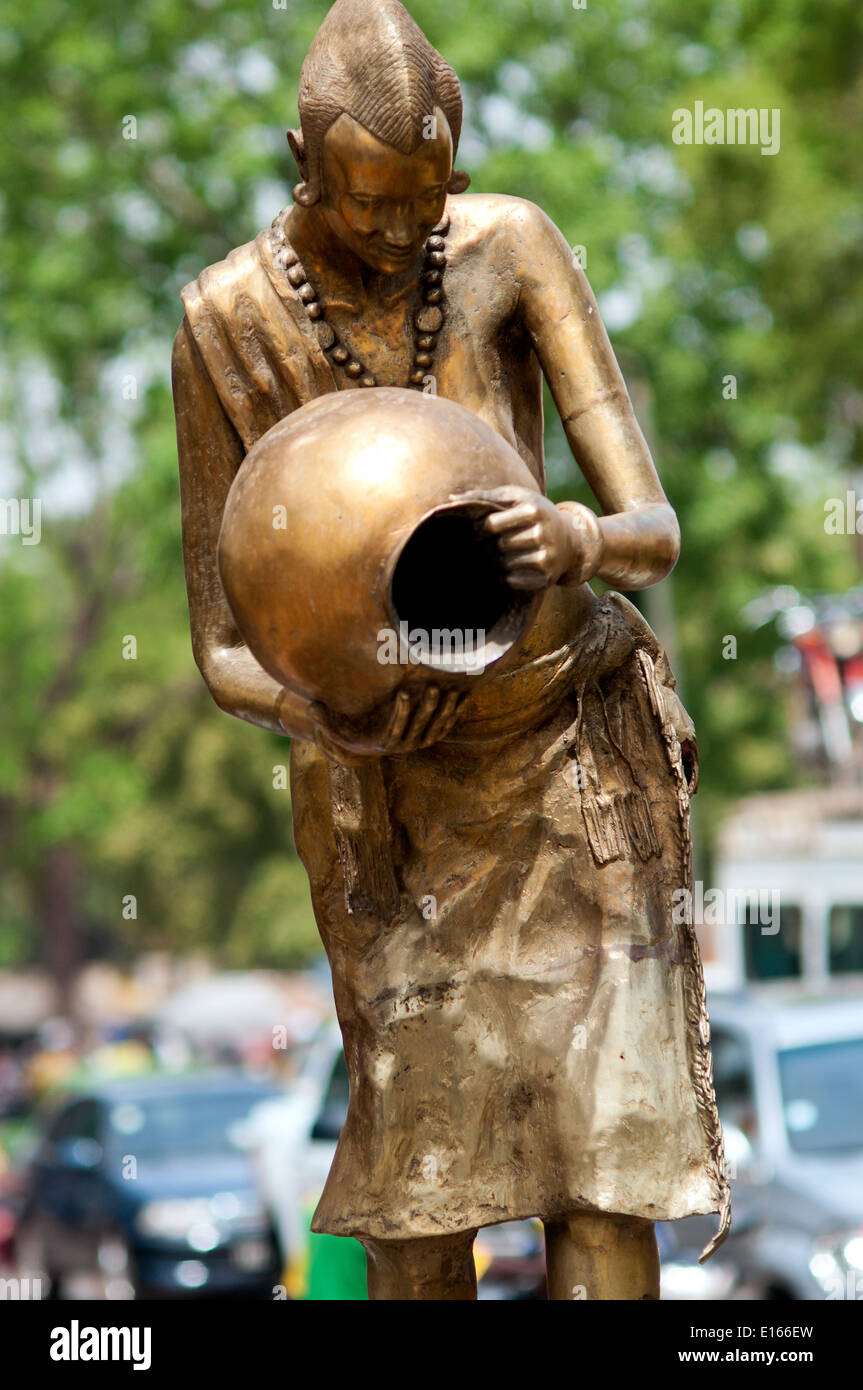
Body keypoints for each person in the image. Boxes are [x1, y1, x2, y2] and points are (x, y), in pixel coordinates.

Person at [173, 0, 729, 1300]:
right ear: (302, 165)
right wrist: (341, 721)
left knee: (604, 1177)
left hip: (567, 765)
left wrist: (575, 532)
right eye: (366, 206)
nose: (394, 234)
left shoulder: (505, 246)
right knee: (423, 1211)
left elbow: (657, 526)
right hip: (390, 800)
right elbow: (219, 648)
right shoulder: (224, 323)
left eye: (422, 205)